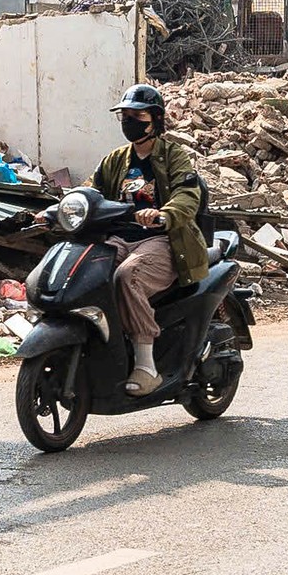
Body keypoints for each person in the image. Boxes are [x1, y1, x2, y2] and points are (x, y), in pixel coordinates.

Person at [92, 84, 206, 396]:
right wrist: (57, 210)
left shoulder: (173, 155)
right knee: (88, 272)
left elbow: (187, 193)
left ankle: (146, 366)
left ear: (155, 118)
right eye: (125, 116)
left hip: (163, 240)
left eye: (136, 116)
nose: (129, 122)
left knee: (129, 276)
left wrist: (165, 213)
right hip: (120, 239)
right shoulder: (115, 160)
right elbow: (90, 193)